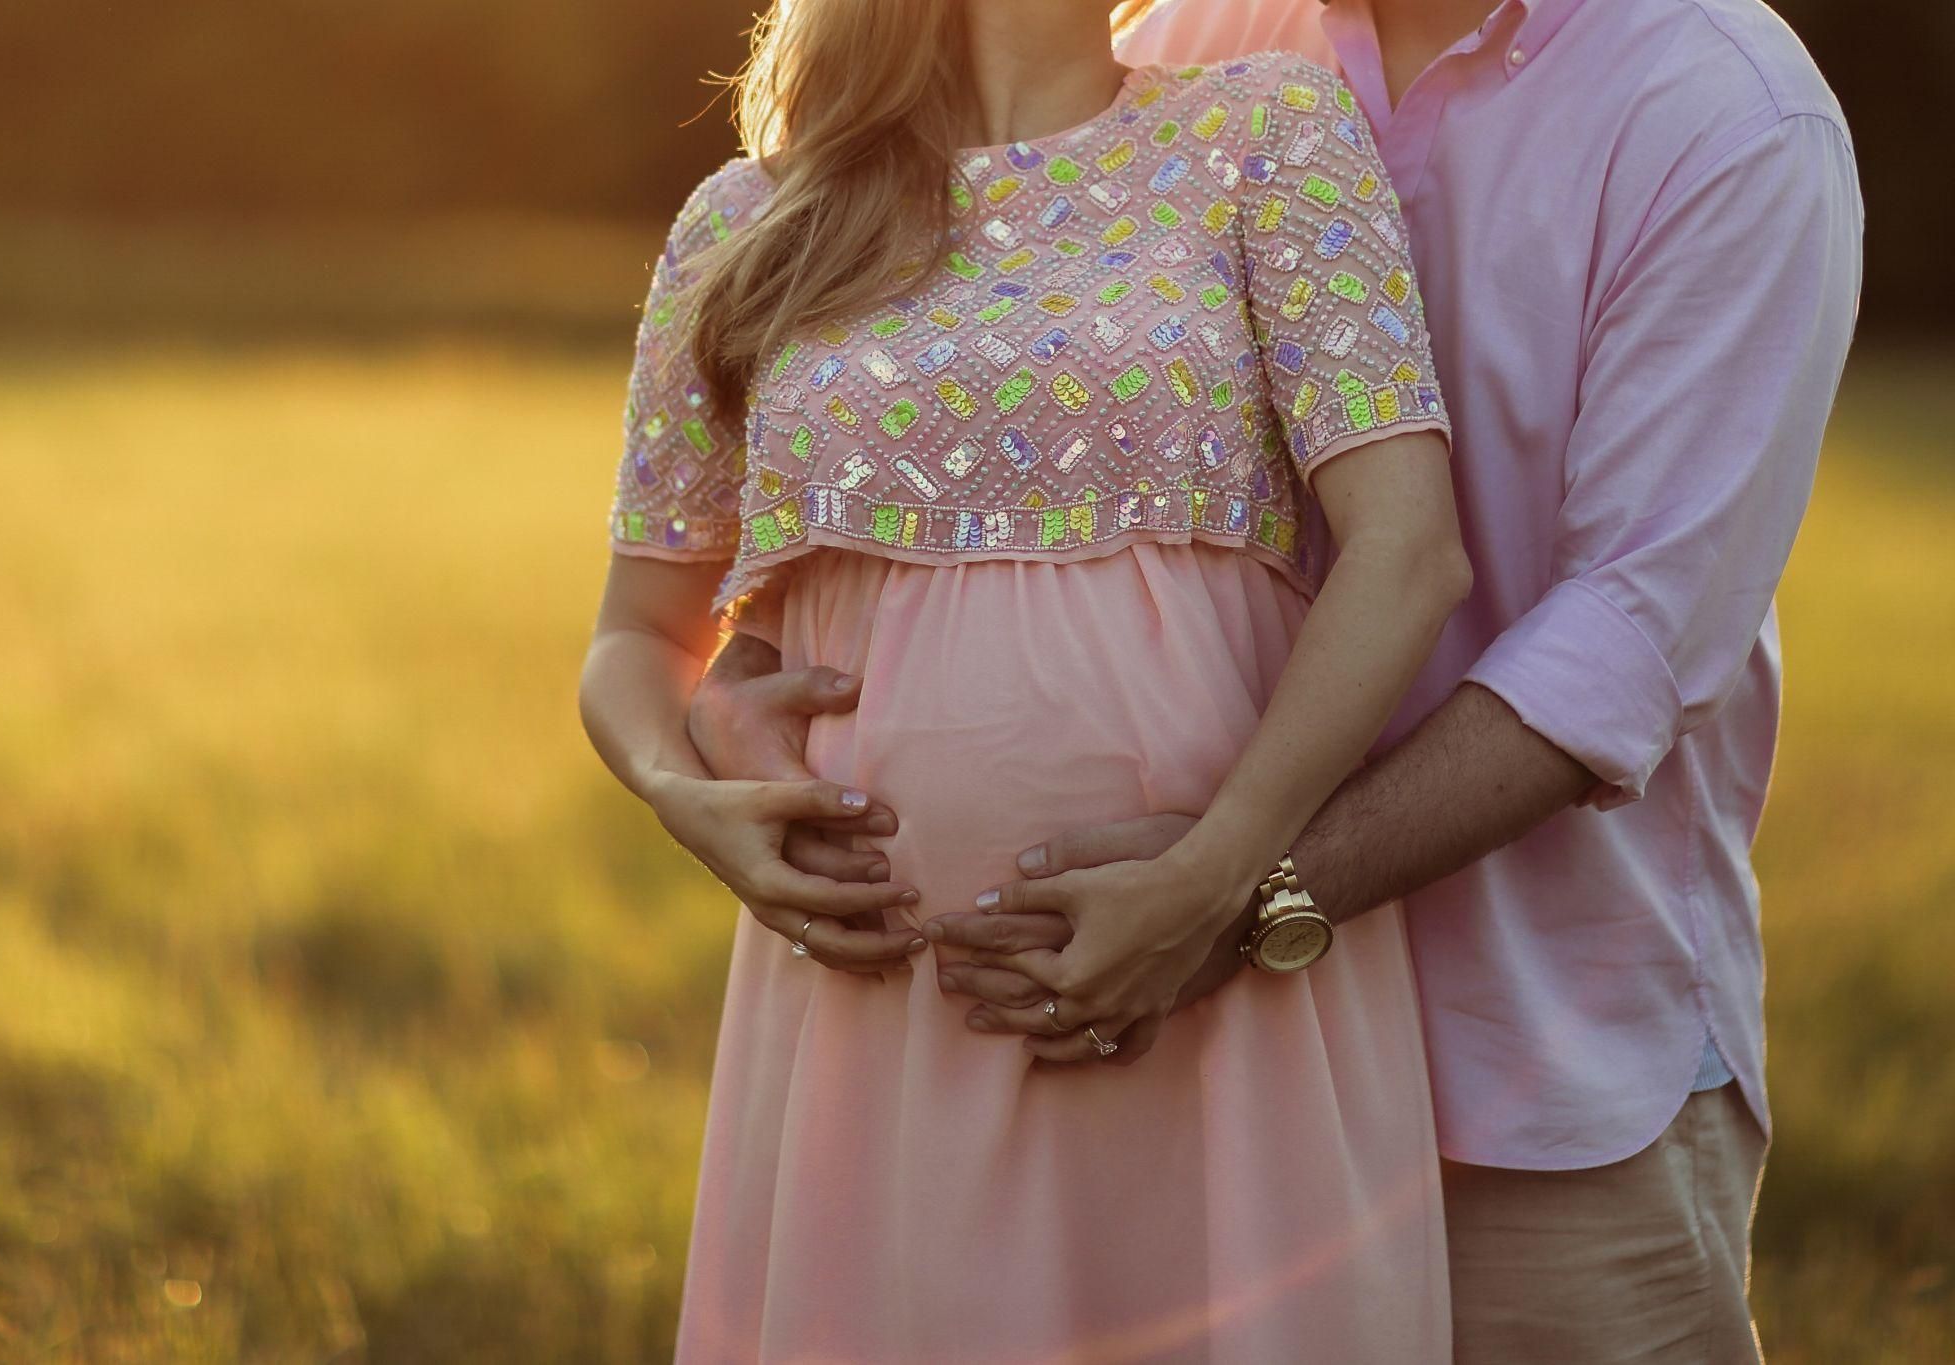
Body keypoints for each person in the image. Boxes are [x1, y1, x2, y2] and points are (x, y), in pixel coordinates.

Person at [686, 0, 1867, 1359]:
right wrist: (737, 685)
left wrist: (1242, 891)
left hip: (1533, 1061)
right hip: (1152, 1059)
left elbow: (1633, 637)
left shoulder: (1725, 112)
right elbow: (938, 431)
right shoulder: (1186, 36)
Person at [581, 0, 1477, 1356]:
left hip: (1200, 969)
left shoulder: (1268, 137)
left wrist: (1217, 878)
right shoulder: (750, 218)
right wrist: (678, 790)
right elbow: (639, 635)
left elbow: (1408, 553)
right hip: (872, 1006)